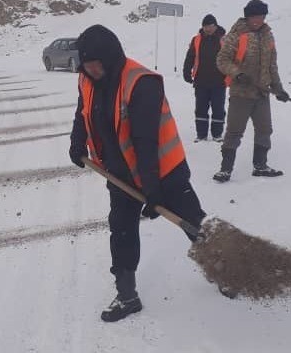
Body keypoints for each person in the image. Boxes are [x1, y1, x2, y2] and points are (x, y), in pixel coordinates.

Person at [69, 25, 207, 322]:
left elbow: (146, 140)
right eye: (86, 64)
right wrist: (76, 142)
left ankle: (227, 269)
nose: (90, 69)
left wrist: (153, 188)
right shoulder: (87, 78)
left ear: (110, 57)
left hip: (164, 171)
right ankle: (127, 295)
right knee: (121, 229)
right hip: (120, 174)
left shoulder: (141, 82)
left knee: (193, 222)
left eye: (95, 63)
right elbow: (83, 111)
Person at [213, 0, 289, 182]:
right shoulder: (236, 34)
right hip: (241, 93)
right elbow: (222, 60)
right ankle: (225, 169)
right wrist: (237, 74)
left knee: (265, 129)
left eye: (262, 16)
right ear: (248, 16)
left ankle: (260, 165)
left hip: (262, 93)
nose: (259, 20)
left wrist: (279, 89)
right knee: (234, 131)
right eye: (255, 16)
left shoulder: (268, 36)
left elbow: (272, 65)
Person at [182, 14, 229, 142]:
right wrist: (186, 71)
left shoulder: (225, 39)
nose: (207, 29)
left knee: (218, 109)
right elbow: (190, 57)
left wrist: (231, 76)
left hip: (219, 81)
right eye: (205, 26)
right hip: (200, 81)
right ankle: (201, 135)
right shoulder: (196, 39)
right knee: (201, 109)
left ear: (215, 26)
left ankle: (217, 134)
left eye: (210, 26)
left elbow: (231, 59)